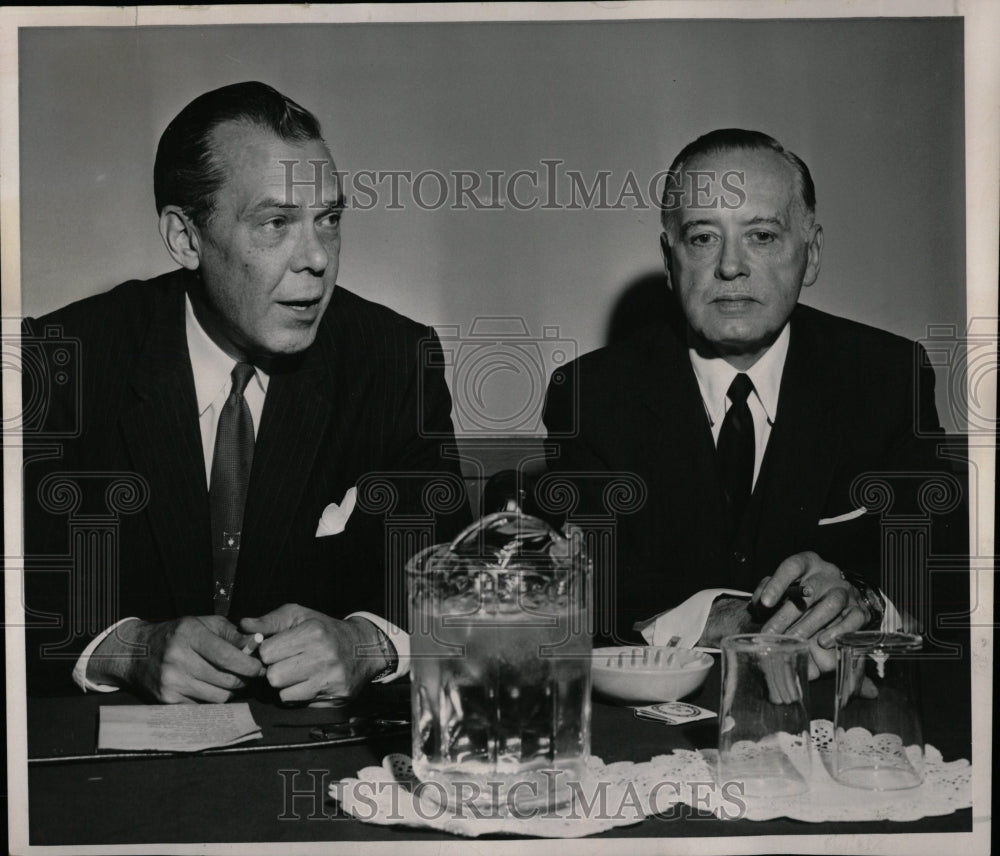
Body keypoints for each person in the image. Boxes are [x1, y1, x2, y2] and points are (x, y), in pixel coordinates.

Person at [22, 81, 469, 702]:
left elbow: (456, 595)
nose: (316, 259)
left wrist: (365, 644)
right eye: (276, 222)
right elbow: (20, 596)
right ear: (185, 239)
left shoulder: (392, 361)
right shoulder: (63, 362)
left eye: (329, 220)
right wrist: (128, 650)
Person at [543, 129, 961, 678]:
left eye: (762, 236)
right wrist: (722, 616)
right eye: (702, 239)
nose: (731, 267)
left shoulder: (886, 378)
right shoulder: (591, 395)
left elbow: (932, 579)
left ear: (810, 255)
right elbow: (588, 596)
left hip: (836, 707)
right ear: (670, 262)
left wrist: (862, 598)